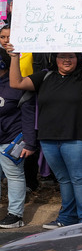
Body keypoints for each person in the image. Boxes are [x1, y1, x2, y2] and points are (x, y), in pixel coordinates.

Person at [6, 43, 82, 228]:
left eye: (71, 56)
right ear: (55, 59)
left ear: (77, 58)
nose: (66, 59)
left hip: (79, 138)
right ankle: (67, 218)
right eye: (62, 56)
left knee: (79, 178)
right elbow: (16, 83)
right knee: (64, 180)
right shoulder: (45, 76)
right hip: (49, 139)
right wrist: (15, 58)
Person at [0, 45, 37, 229]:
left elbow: (29, 116)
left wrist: (29, 143)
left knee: (14, 176)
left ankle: (15, 215)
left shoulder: (16, 85)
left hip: (11, 141)